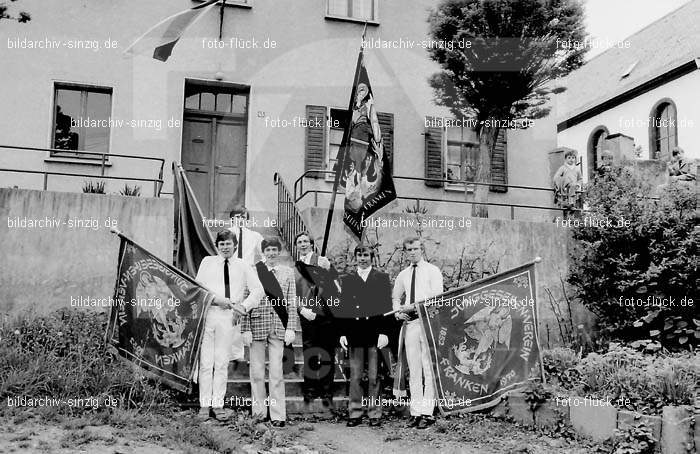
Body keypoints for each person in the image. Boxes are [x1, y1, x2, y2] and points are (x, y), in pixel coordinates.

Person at [195, 230, 264, 421]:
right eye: (222, 244)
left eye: (229, 244)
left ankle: (218, 404)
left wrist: (243, 306)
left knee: (222, 362)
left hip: (229, 318)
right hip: (208, 315)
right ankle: (204, 405)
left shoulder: (243, 265)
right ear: (217, 246)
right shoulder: (207, 262)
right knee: (206, 362)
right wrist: (216, 300)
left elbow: (258, 290)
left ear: (235, 245)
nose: (225, 247)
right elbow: (197, 289)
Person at [241, 237, 298, 428]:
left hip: (278, 326)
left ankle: (277, 415)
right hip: (257, 325)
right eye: (268, 249)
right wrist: (245, 328)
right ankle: (258, 412)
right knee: (256, 372)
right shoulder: (254, 270)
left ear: (279, 251)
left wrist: (291, 327)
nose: (271, 253)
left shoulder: (288, 272)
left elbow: (291, 302)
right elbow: (245, 300)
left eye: (275, 249)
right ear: (263, 252)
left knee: (276, 373)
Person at [392, 237, 443, 429]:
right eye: (409, 250)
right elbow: (396, 297)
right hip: (411, 325)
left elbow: (437, 297)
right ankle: (415, 411)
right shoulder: (403, 274)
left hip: (428, 323)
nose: (412, 252)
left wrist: (414, 306)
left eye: (415, 248)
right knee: (414, 370)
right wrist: (398, 313)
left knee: (428, 369)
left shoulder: (432, 271)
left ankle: (427, 413)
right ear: (405, 252)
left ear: (421, 249)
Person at [339, 245, 392, 427]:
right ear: (355, 257)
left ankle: (374, 413)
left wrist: (384, 332)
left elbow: (387, 307)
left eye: (366, 255)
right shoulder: (347, 279)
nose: (363, 258)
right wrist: (343, 333)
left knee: (374, 376)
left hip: (374, 333)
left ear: (372, 257)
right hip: (354, 333)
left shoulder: (381, 278)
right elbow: (343, 308)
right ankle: (354, 413)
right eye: (359, 255)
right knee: (355, 376)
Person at [293, 231, 339, 407]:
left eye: (306, 241)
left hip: (325, 313)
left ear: (311, 244)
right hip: (307, 315)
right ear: (296, 246)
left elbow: (335, 286)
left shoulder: (323, 261)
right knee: (310, 352)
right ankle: (311, 389)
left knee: (326, 351)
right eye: (300, 242)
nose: (303, 244)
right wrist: (301, 309)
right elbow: (293, 293)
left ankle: (327, 390)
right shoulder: (295, 268)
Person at [227, 205, 264, 361]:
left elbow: (265, 252)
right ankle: (233, 352)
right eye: (237, 217)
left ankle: (242, 351)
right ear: (232, 219)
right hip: (231, 273)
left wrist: (257, 267)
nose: (240, 220)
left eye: (243, 217)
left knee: (245, 309)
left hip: (247, 274)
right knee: (232, 310)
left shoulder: (255, 235)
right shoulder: (227, 234)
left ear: (247, 220)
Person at [552, 149, 583, 218]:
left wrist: (578, 184)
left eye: (573, 158)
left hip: (573, 189)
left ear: (575, 159)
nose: (571, 159)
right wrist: (561, 183)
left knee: (572, 209)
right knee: (565, 207)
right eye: (569, 158)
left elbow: (580, 179)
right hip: (565, 188)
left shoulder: (577, 169)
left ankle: (571, 208)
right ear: (565, 159)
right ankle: (565, 217)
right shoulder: (563, 168)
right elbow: (556, 177)